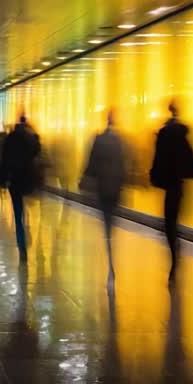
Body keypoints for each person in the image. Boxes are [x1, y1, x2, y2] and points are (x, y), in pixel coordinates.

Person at [149, 101, 193, 283]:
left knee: (169, 223)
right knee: (175, 220)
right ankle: (176, 252)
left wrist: (154, 177)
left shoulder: (164, 134)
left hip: (169, 184)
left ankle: (174, 257)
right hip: (180, 185)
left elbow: (158, 159)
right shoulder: (183, 134)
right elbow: (191, 158)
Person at [81, 110, 129, 280]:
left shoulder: (99, 139)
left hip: (102, 186)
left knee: (106, 217)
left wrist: (85, 179)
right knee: (111, 216)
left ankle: (109, 247)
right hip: (115, 186)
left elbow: (91, 162)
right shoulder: (121, 141)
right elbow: (125, 163)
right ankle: (110, 241)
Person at [0, 117, 42, 262]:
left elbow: (4, 160)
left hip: (14, 180)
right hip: (28, 179)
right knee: (27, 206)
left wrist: (2, 179)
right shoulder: (30, 139)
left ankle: (21, 243)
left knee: (18, 212)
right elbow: (37, 150)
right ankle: (26, 223)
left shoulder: (10, 139)